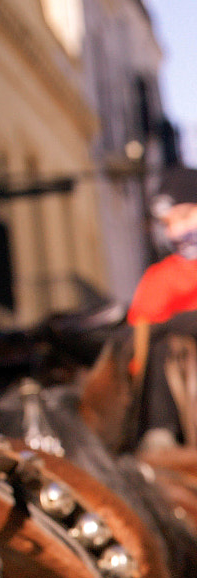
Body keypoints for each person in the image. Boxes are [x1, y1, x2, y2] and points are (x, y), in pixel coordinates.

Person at [128, 168, 197, 446]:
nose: (176, 231)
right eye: (167, 223)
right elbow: (142, 334)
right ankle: (160, 431)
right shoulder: (159, 276)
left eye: (184, 217)